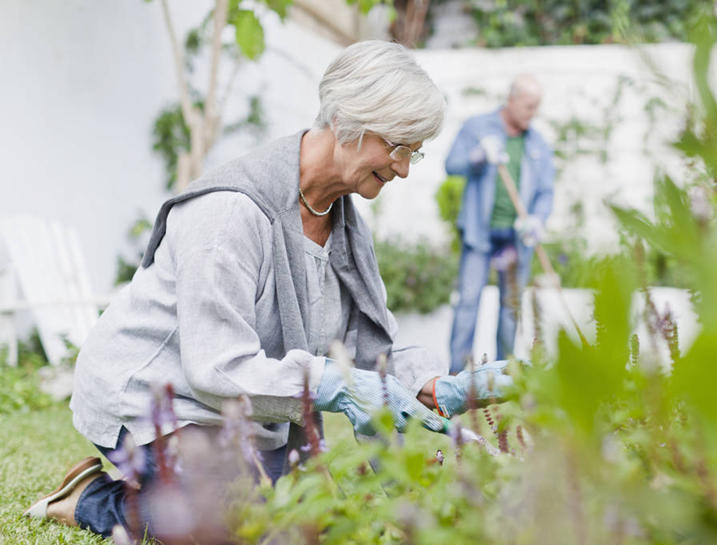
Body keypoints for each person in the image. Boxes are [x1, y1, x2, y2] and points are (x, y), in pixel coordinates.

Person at [24, 41, 511, 540]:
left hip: (238, 411)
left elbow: (371, 347)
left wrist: (432, 382)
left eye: (416, 151)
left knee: (315, 517)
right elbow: (216, 365)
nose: (405, 168)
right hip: (153, 396)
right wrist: (338, 384)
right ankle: (91, 499)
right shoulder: (230, 212)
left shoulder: (344, 223)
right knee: (242, 523)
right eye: (399, 147)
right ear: (349, 123)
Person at [445, 74, 555, 373]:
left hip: (516, 239)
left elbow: (546, 191)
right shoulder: (478, 127)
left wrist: (537, 219)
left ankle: (500, 376)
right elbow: (451, 164)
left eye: (537, 108)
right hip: (479, 235)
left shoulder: (537, 142)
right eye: (529, 107)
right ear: (512, 100)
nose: (533, 114)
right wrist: (477, 157)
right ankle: (455, 376)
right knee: (468, 304)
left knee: (511, 308)